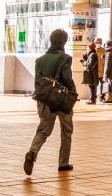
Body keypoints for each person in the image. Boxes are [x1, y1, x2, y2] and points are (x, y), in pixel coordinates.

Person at [24, 29, 75, 176]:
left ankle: (32, 153)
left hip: (45, 100)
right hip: (62, 100)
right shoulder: (65, 58)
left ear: (51, 40)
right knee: (66, 131)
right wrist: (73, 93)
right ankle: (63, 163)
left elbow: (37, 83)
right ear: (64, 42)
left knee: (43, 131)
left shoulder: (40, 60)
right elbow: (67, 79)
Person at [81, 37, 101, 104]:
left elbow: (89, 65)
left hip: (92, 74)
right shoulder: (92, 54)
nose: (87, 49)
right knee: (92, 87)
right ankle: (92, 99)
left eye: (88, 47)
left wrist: (83, 62)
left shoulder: (92, 55)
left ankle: (92, 100)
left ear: (90, 48)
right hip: (92, 74)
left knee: (92, 87)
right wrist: (86, 58)